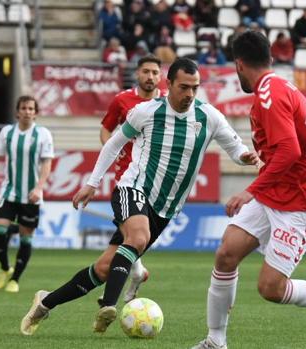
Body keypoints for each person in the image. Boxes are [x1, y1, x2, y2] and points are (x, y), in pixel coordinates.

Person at [20, 58, 260, 336]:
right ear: (168, 84)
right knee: (138, 237)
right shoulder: (145, 111)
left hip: (165, 209)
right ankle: (108, 307)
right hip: (132, 188)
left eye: (195, 88)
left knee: (104, 268)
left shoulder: (209, 116)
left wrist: (246, 157)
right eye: (184, 87)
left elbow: (236, 149)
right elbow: (114, 143)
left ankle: (45, 302)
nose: (190, 94)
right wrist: (92, 183)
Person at [192, 31, 306, 349]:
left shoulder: (268, 94)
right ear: (270, 59)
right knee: (226, 254)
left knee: (271, 288)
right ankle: (215, 341)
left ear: (238, 65)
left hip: (302, 199)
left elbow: (290, 152)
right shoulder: (276, 86)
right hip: (278, 188)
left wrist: (249, 190)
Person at [97, 55, 164, 306]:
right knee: (130, 229)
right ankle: (134, 273)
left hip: (154, 177)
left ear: (161, 76)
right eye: (146, 71)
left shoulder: (167, 102)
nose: (150, 77)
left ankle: (135, 272)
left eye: (155, 72)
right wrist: (112, 148)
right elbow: (106, 129)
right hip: (127, 175)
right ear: (137, 74)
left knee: (131, 233)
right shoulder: (122, 100)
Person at [0, 96, 54, 293]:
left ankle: (15, 279)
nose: (27, 111)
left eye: (31, 108)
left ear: (36, 113)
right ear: (17, 111)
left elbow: (46, 163)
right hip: (9, 191)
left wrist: (39, 187)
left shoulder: (43, 134)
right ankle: (5, 268)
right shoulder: (7, 132)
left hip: (31, 195)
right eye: (23, 108)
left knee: (26, 238)